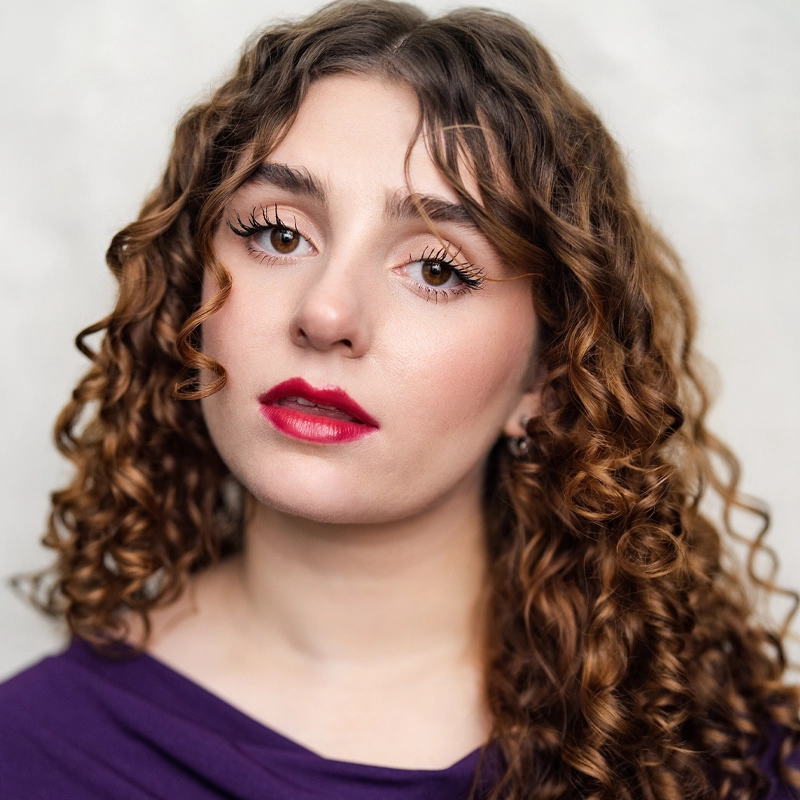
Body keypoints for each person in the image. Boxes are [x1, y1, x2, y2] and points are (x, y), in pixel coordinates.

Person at [1, 1, 798, 797]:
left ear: (548, 377)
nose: (325, 314)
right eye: (280, 234)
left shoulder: (731, 760)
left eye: (438, 268)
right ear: (189, 294)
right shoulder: (29, 753)